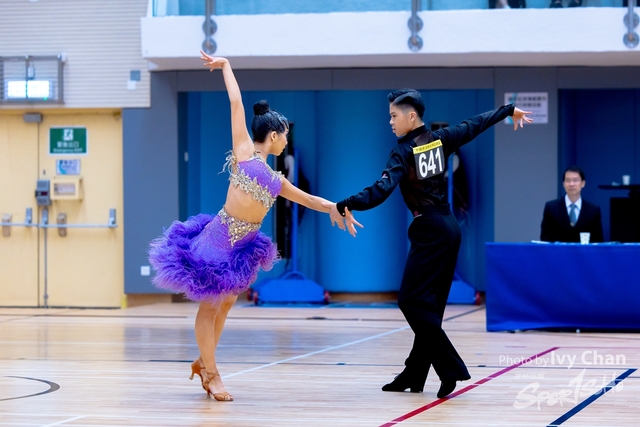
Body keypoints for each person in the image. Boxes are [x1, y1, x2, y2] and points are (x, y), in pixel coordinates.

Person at [148, 52, 361, 402]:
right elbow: (236, 103)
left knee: (226, 304)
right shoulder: (245, 152)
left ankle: (203, 361)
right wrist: (226, 66)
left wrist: (337, 207)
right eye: (285, 136)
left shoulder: (276, 180)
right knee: (210, 305)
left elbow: (310, 199)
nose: (287, 141)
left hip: (241, 247)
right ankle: (212, 374)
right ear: (273, 136)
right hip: (217, 240)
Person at [327, 89, 532, 398]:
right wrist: (508, 110)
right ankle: (414, 373)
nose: (390, 122)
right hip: (449, 228)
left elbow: (381, 190)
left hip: (429, 230)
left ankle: (450, 368)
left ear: (411, 116)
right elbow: (474, 124)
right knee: (429, 307)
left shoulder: (403, 151)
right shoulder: (440, 139)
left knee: (410, 301)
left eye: (394, 116)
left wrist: (345, 203)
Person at [540, 165, 604, 243]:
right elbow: (545, 239)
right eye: (568, 180)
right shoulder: (551, 208)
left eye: (575, 180)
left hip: (584, 251)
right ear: (563, 184)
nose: (571, 184)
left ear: (583, 183)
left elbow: (598, 241)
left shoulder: (593, 210)